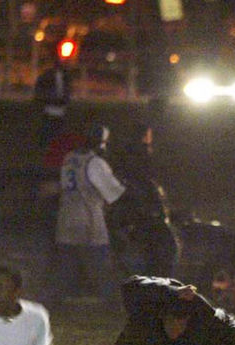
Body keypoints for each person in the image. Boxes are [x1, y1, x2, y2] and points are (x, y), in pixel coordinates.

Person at [52, 123, 127, 306]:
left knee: (66, 265)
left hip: (66, 218)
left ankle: (56, 302)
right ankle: (112, 303)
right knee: (100, 263)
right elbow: (115, 193)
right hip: (89, 219)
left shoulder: (69, 158)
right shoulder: (95, 163)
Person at [111, 121, 179, 278]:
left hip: (136, 213)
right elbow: (146, 182)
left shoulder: (126, 155)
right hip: (145, 212)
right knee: (162, 253)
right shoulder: (141, 155)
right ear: (145, 136)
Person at [33, 59, 71, 148]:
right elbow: (40, 89)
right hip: (50, 108)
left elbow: (67, 90)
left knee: (57, 130)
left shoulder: (65, 76)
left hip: (60, 109)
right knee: (49, 130)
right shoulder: (48, 76)